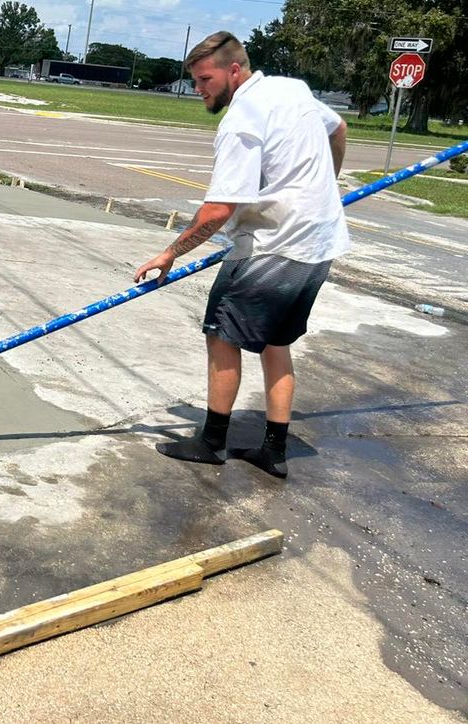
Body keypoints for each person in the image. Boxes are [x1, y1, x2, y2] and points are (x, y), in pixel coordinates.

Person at [134, 31, 349, 478]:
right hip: (319, 240)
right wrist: (322, 191)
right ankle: (274, 450)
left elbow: (218, 209)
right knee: (275, 341)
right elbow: (338, 129)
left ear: (234, 70)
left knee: (222, 335)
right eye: (194, 82)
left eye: (204, 79)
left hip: (274, 245)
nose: (199, 90)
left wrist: (169, 253)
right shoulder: (292, 88)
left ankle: (212, 442)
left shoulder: (240, 119)